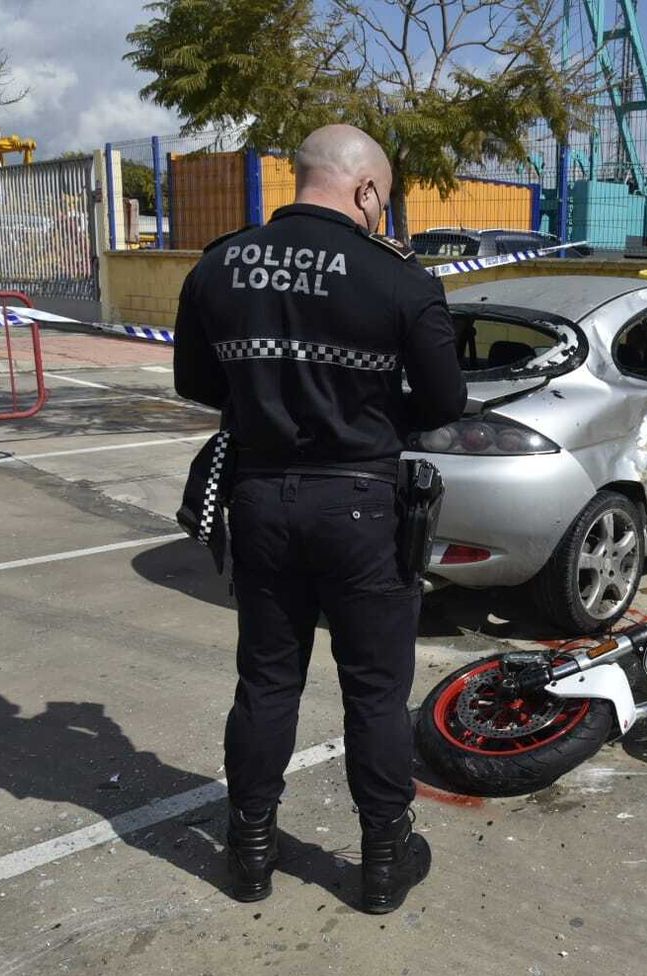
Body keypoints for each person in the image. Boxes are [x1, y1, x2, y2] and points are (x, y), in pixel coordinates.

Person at [173, 124, 466, 913]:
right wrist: (364, 414)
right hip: (362, 504)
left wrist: (272, 402)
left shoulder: (218, 265)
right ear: (368, 190)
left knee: (267, 679)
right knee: (374, 691)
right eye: (385, 199)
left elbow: (197, 383)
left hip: (260, 497)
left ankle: (251, 853)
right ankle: (380, 863)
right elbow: (445, 402)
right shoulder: (399, 279)